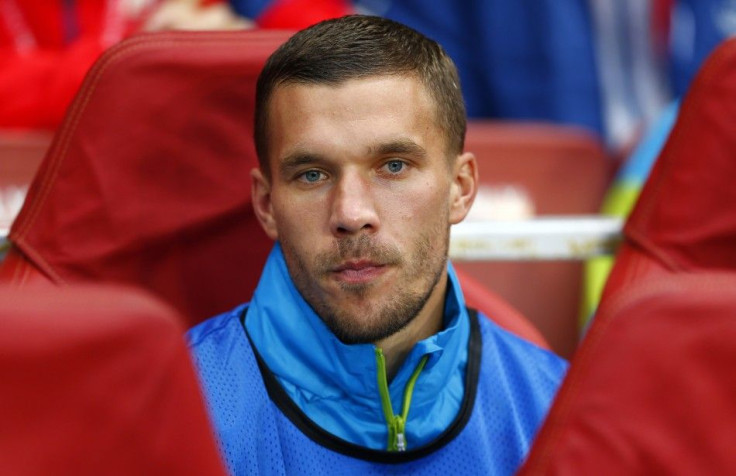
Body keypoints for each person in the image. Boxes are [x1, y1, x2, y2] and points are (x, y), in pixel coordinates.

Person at [187, 15, 567, 474]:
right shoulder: (175, 410)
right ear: (267, 204)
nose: (351, 214)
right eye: (312, 174)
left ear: (461, 189)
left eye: (393, 167)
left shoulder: (559, 411)